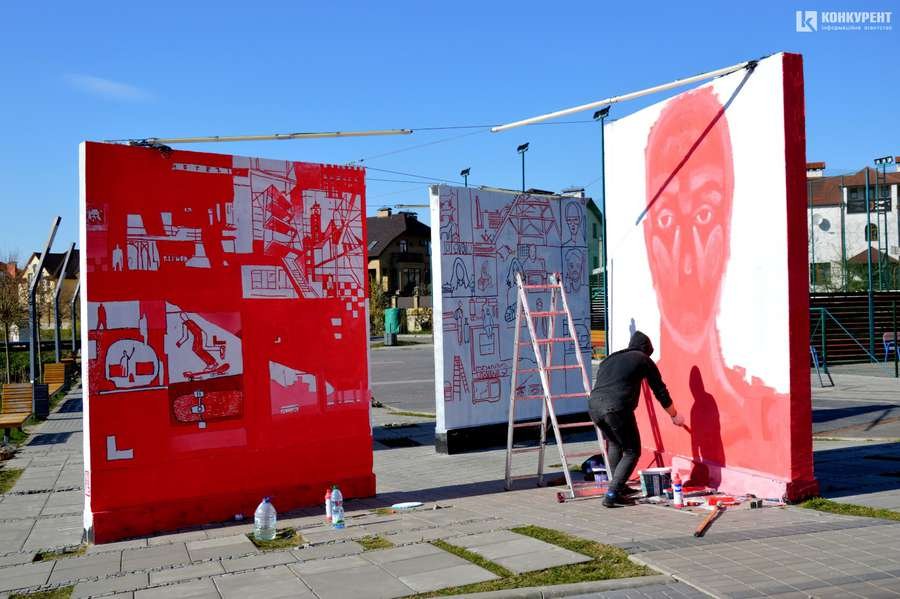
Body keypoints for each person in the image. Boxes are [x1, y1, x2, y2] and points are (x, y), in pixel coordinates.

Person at [589, 330, 683, 507]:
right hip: (616, 408)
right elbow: (660, 391)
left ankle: (619, 487)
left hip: (594, 407)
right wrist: (674, 415)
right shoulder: (642, 359)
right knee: (632, 451)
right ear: (646, 349)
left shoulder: (609, 359)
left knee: (615, 444)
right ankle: (612, 494)